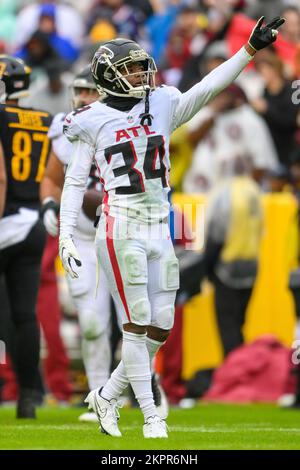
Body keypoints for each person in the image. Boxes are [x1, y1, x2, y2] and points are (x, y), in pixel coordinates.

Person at [58, 17, 285, 438]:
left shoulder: (161, 101)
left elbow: (209, 88)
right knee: (137, 320)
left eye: (142, 67)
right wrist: (67, 235)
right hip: (121, 223)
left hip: (160, 225)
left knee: (161, 326)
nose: (141, 75)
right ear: (110, 74)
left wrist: (248, 51)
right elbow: (74, 181)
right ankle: (151, 417)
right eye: (131, 69)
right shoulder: (90, 119)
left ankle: (108, 393)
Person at [40, 66, 113, 422]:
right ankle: (100, 396)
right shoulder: (65, 129)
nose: (84, 98)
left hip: (124, 232)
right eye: (81, 91)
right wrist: (49, 204)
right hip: (84, 237)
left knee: (142, 321)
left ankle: (149, 391)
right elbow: (52, 178)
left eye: (92, 91)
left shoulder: (125, 121)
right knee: (92, 322)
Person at [0, 55, 52, 418]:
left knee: (9, 316)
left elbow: (1, 179)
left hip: (6, 219)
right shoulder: (47, 120)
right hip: (35, 221)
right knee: (24, 314)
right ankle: (30, 393)